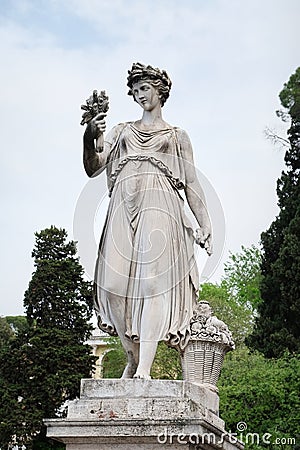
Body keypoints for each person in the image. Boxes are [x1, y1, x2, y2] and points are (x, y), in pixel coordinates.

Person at [83, 62, 212, 379]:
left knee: (153, 284)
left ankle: (144, 368)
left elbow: (192, 182)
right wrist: (90, 136)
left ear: (160, 90)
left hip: (160, 201)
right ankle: (133, 354)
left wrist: (204, 223)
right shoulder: (122, 131)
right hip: (123, 201)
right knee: (112, 285)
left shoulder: (176, 136)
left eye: (145, 88)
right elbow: (93, 166)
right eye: (136, 90)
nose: (140, 95)